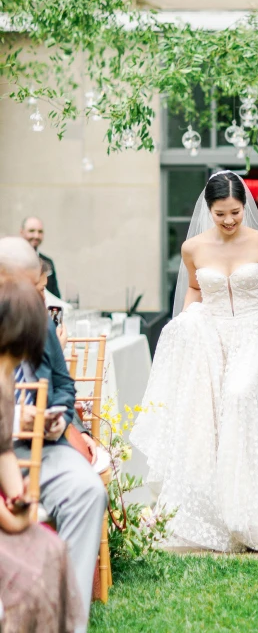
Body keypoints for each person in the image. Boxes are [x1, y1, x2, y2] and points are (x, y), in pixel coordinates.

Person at [131, 171, 258, 552]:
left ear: (244, 207)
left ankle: (250, 515)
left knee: (238, 395)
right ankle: (221, 516)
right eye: (221, 214)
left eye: (235, 212)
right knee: (212, 421)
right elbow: (194, 290)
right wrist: (186, 323)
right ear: (209, 210)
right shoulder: (193, 248)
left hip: (256, 332)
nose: (229, 220)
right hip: (212, 334)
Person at [0, 237, 106, 632]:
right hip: (6, 449)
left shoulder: (38, 318)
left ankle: (66, 622)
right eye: (29, 288)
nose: (39, 298)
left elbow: (63, 384)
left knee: (87, 491)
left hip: (44, 447)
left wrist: (57, 419)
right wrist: (16, 419)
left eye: (39, 288)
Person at [20, 215, 61, 298]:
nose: (36, 236)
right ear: (22, 232)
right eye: (31, 231)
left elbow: (55, 295)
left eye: (40, 232)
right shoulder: (12, 262)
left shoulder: (48, 262)